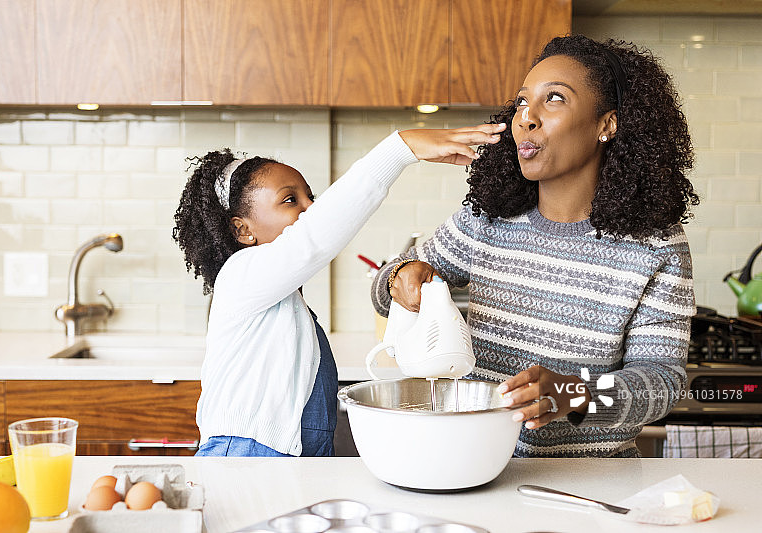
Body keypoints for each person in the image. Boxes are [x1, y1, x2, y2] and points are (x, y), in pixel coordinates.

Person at [371, 35, 700, 458]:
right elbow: (386, 290)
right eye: (523, 101)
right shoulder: (487, 219)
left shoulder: (656, 246)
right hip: (477, 468)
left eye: (554, 99)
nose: (527, 117)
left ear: (607, 124)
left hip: (592, 482)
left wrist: (572, 396)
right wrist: (400, 277)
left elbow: (663, 383)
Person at [173, 123, 506, 457]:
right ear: (242, 230)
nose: (310, 208)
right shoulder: (239, 276)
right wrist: (399, 149)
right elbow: (313, 237)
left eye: (311, 198)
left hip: (287, 461)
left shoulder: (287, 307)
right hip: (245, 458)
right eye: (290, 200)